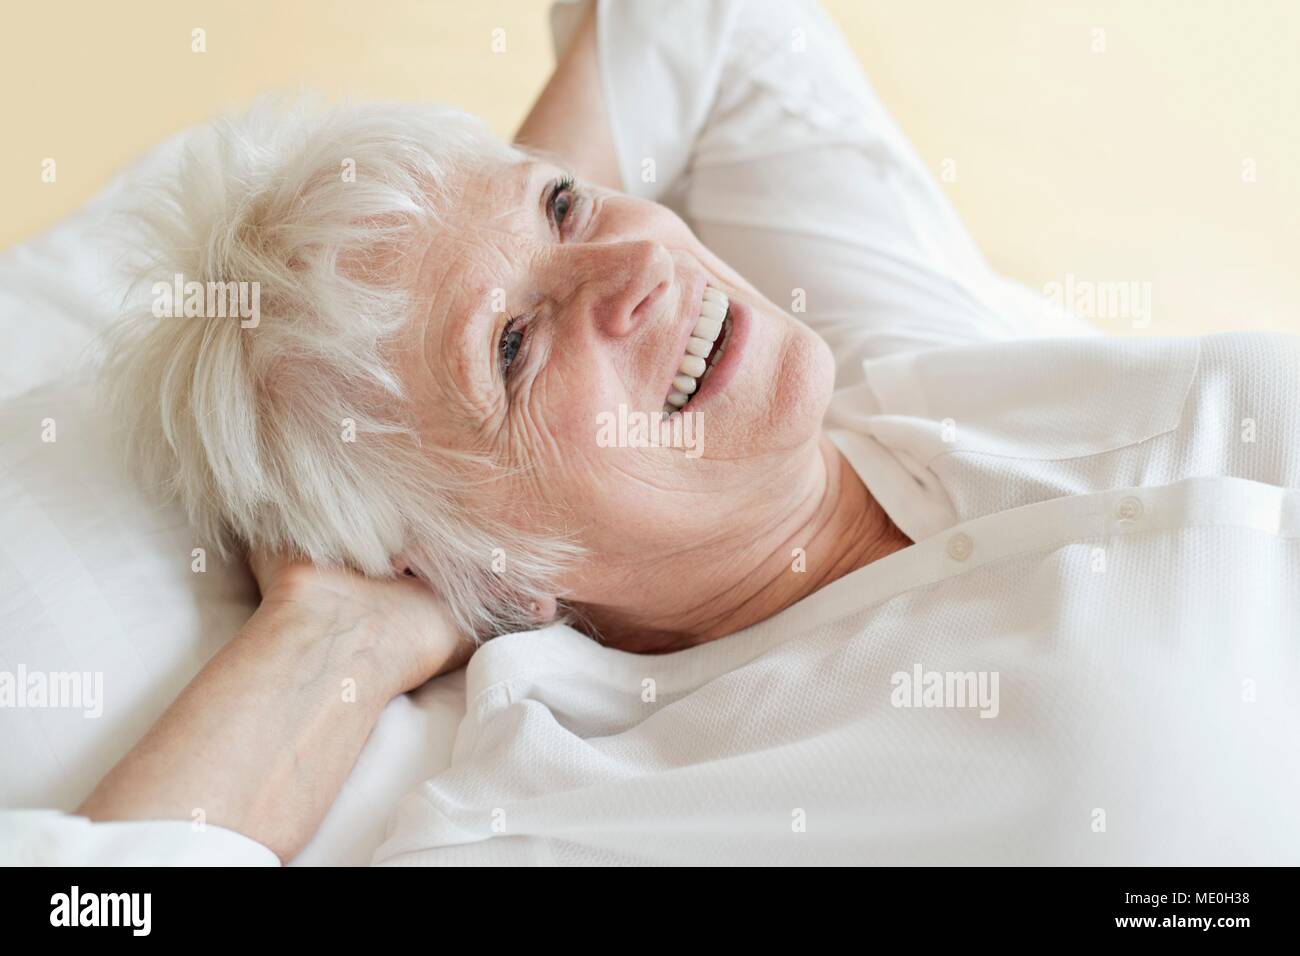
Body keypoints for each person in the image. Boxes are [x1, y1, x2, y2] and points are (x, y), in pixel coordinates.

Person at [8, 0, 1296, 865]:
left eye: (570, 207)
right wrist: (342, 627)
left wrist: (496, 223)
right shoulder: (566, 811)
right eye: (511, 350)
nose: (636, 268)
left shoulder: (899, 343)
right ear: (475, 569)